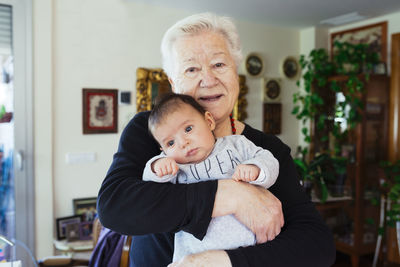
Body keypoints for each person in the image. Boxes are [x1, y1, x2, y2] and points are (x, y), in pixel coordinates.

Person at [97, 12, 336, 267]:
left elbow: (317, 245)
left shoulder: (265, 149)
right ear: (173, 82)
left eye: (219, 65)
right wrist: (230, 195)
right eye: (191, 69)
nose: (208, 80)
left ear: (236, 74)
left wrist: (224, 261)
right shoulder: (150, 132)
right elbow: (114, 206)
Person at [143, 93, 279, 261]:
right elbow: (149, 193)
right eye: (170, 143)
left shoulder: (236, 144)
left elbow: (269, 160)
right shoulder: (176, 167)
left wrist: (256, 168)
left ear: (209, 121)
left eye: (188, 129)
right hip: (195, 258)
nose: (183, 143)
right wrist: (156, 167)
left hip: (246, 251)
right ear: (163, 150)